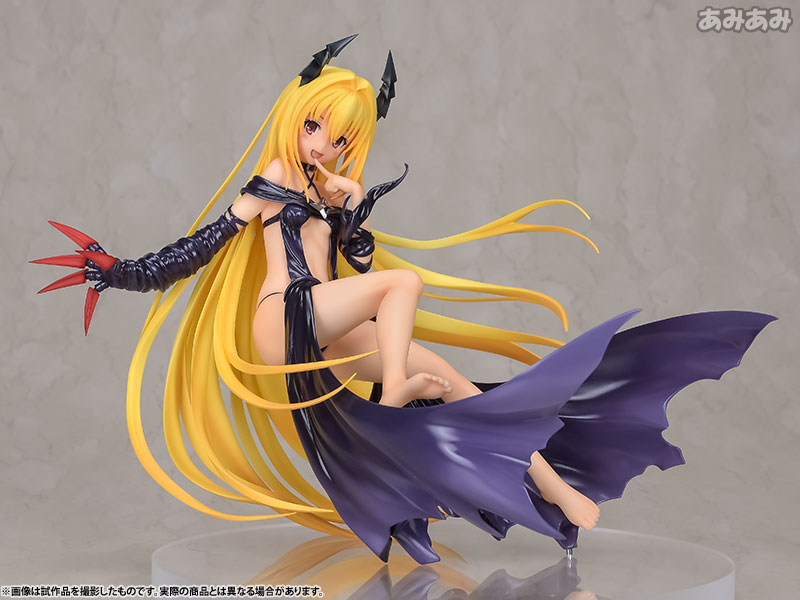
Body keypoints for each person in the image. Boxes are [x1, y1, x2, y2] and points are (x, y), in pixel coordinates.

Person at [33, 37, 775, 564]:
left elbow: (355, 262)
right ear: (296, 114)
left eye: (337, 137)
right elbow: (196, 249)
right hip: (284, 319)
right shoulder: (273, 179)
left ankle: (562, 495)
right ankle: (393, 399)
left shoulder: (333, 188)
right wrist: (118, 271)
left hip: (325, 322)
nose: (320, 143)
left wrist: (348, 209)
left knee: (450, 378)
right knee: (403, 286)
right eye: (314, 124)